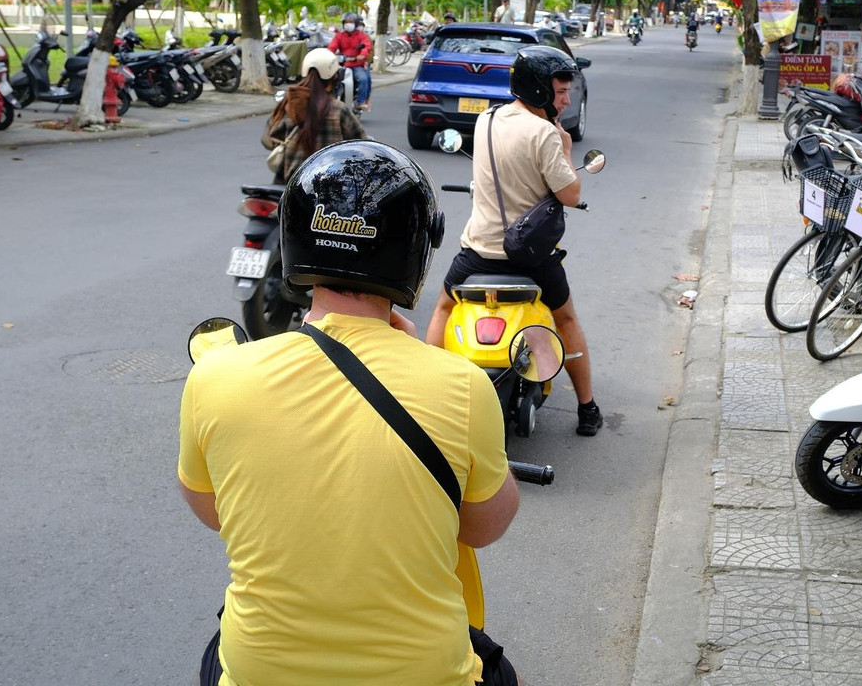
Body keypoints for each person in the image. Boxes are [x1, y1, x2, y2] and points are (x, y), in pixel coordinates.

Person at [179, 141, 521, 686]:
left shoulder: (215, 377)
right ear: (415, 252)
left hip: (261, 672)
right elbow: (482, 528)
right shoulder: (463, 386)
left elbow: (218, 511)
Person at [424, 45, 603, 437]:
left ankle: (428, 394)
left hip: (478, 255)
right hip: (531, 259)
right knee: (566, 317)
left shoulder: (486, 121)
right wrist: (567, 147)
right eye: (560, 92)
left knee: (441, 307)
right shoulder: (544, 134)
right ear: (539, 90)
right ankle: (587, 407)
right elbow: (570, 195)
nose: (567, 99)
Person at [261, 47, 366, 183]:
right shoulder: (338, 109)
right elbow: (361, 143)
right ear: (334, 78)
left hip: (291, 183)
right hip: (330, 184)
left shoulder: (288, 102)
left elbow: (267, 141)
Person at [327, 12, 374, 111]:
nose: (348, 24)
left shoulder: (361, 36)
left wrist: (362, 55)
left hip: (357, 64)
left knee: (363, 79)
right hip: (344, 64)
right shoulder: (339, 36)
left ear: (355, 23)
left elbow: (366, 46)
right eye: (346, 22)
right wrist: (328, 54)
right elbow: (332, 47)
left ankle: (361, 102)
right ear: (343, 23)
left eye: (351, 22)